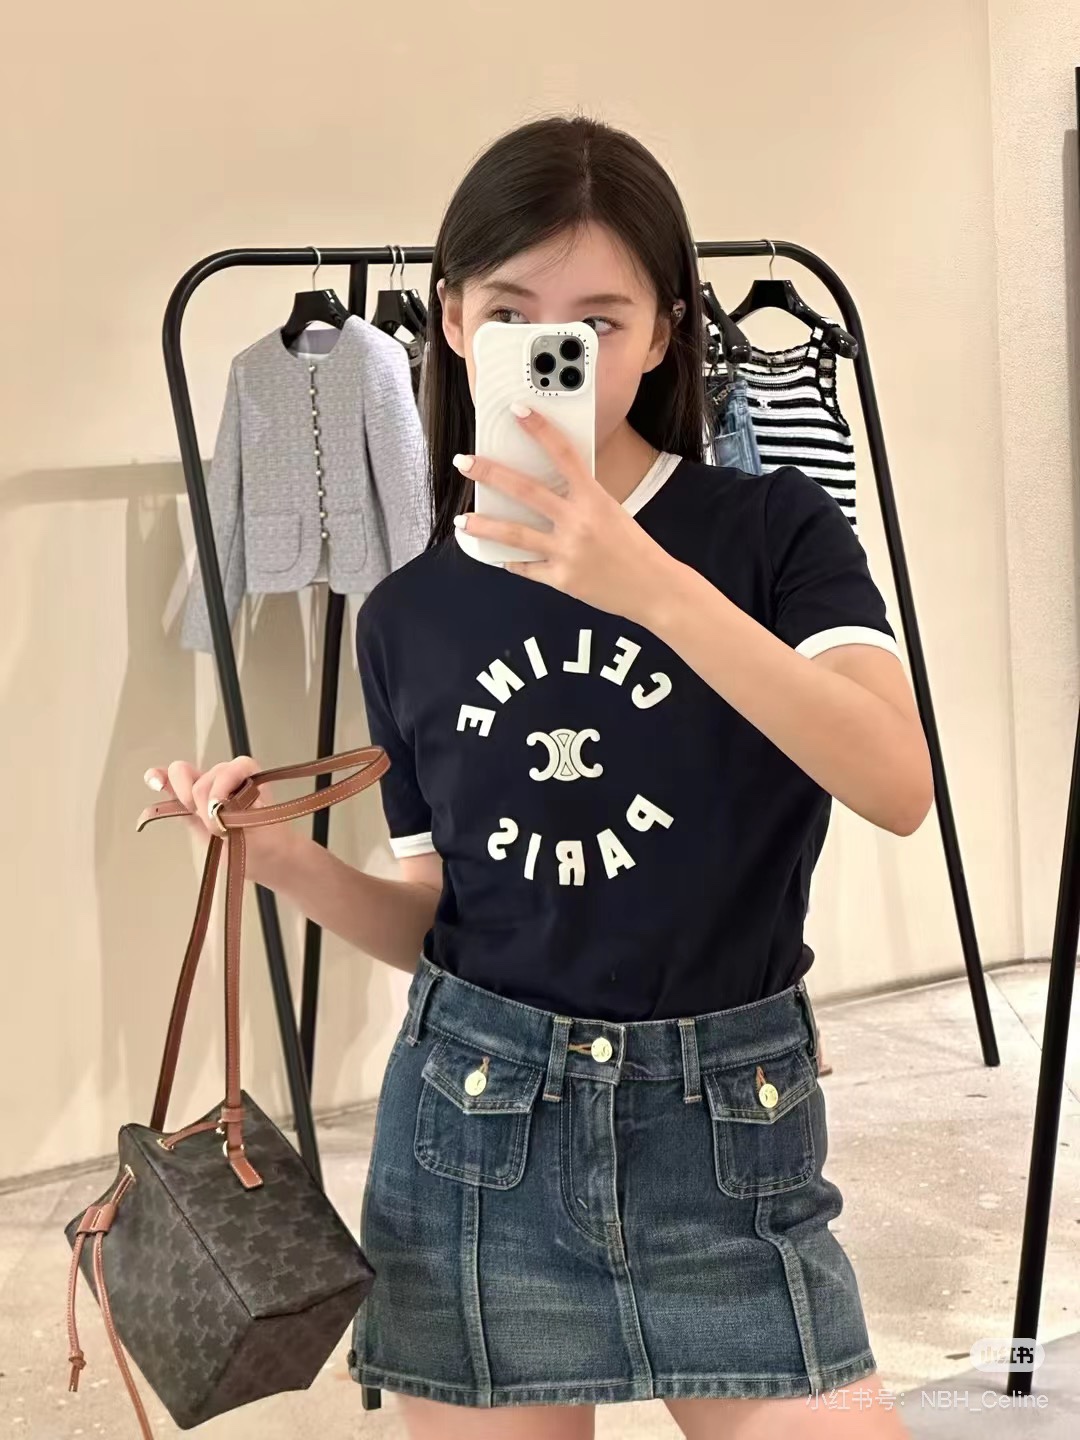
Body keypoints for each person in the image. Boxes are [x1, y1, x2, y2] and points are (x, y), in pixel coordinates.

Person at [147, 115, 932, 1440]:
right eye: (510, 312)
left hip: (729, 1141)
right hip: (475, 1142)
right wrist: (280, 861)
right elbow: (440, 920)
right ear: (452, 321)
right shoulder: (408, 613)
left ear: (667, 333)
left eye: (599, 320)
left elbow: (896, 782)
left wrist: (650, 586)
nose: (549, 348)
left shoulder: (772, 531)